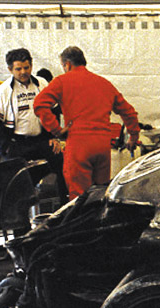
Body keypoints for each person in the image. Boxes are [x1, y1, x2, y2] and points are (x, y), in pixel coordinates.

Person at [34, 46, 140, 200]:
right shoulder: (104, 83)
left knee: (79, 198)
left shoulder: (62, 81)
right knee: (101, 194)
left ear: (67, 64)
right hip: (103, 146)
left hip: (79, 146)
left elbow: (39, 104)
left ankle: (81, 224)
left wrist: (56, 130)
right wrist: (133, 137)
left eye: (63, 66)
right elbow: (129, 112)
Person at [0, 48, 68, 204]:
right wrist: (6, 147)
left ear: (31, 65)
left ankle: (65, 211)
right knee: (16, 183)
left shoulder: (42, 83)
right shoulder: (1, 92)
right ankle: (20, 224)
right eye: (18, 69)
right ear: (10, 69)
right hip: (17, 143)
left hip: (42, 140)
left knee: (63, 165)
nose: (23, 72)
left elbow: (54, 110)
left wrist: (53, 136)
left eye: (26, 67)